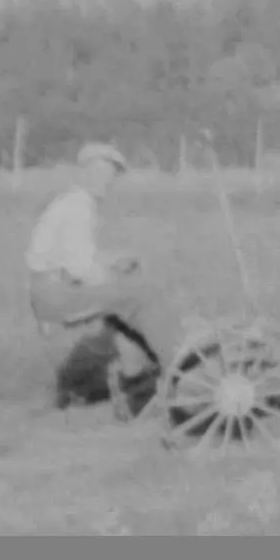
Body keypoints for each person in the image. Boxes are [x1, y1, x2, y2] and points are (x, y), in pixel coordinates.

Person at [26, 142, 178, 419]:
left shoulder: (74, 203)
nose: (105, 182)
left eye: (109, 177)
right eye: (99, 174)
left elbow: (79, 257)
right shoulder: (79, 207)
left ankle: (138, 384)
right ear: (85, 173)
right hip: (55, 293)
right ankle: (173, 369)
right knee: (138, 296)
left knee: (123, 301)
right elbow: (80, 268)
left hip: (51, 289)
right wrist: (112, 277)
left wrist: (114, 263)